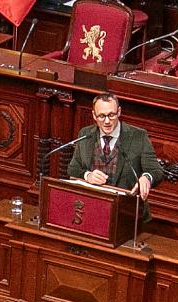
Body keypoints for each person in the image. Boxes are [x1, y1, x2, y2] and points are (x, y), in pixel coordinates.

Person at [67, 94, 158, 231]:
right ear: (94, 115)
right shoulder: (85, 135)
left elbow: (156, 171)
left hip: (127, 217)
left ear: (119, 112)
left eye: (111, 115)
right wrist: (87, 176)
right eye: (101, 116)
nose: (107, 121)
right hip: (91, 213)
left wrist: (147, 178)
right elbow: (73, 169)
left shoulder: (138, 136)